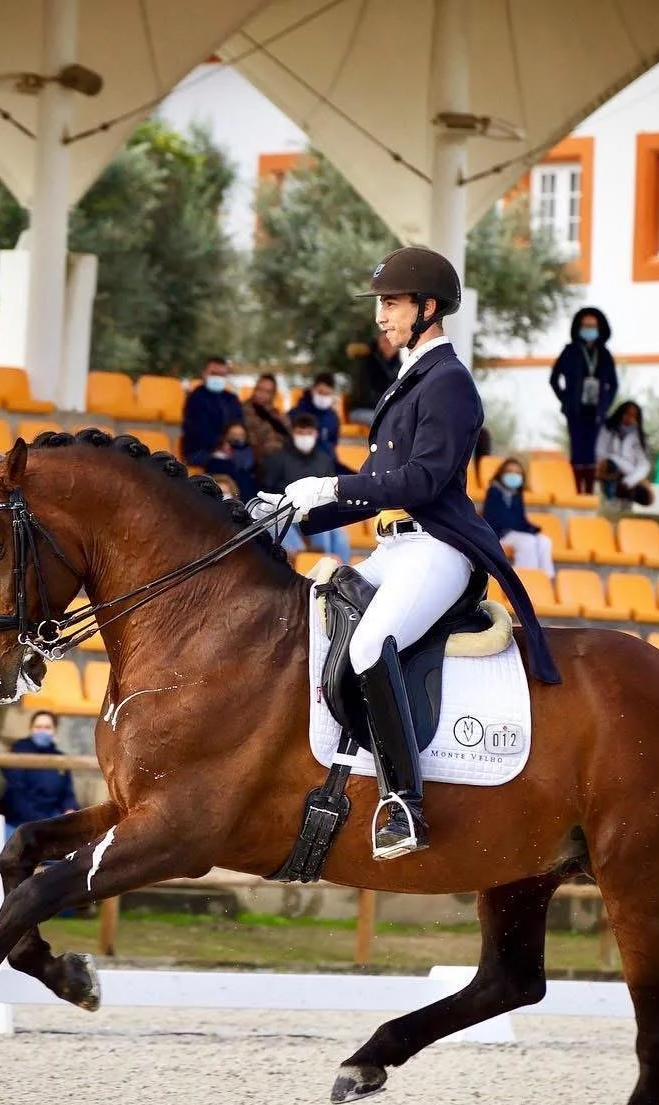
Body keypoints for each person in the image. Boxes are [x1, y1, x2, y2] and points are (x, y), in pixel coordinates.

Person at [273, 246, 561, 860]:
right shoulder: (408, 381)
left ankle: (404, 802)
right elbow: (374, 490)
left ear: (428, 308)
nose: (381, 316)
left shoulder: (450, 382)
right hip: (394, 548)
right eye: (381, 304)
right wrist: (292, 507)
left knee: (373, 643)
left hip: (439, 549)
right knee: (314, 620)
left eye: (392, 303)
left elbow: (422, 481)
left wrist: (332, 483)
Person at [261, 413, 350, 563]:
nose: (305, 437)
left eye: (308, 433)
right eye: (300, 433)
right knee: (283, 527)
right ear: (293, 433)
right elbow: (266, 488)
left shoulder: (324, 460)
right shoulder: (277, 458)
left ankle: (340, 574)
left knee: (339, 536)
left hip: (317, 512)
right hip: (286, 512)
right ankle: (306, 564)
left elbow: (332, 492)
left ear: (315, 433)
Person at [549, 307, 618, 496]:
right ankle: (576, 491)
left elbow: (614, 384)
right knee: (577, 450)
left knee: (592, 452)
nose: (589, 329)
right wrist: (566, 400)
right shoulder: (570, 351)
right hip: (576, 410)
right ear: (578, 327)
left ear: (600, 328)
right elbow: (554, 379)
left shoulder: (604, 354)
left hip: (596, 411)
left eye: (593, 326)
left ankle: (589, 492)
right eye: (586, 326)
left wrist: (605, 407)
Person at [0, 712, 79, 831]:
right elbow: (16, 796)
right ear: (31, 729)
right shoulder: (17, 755)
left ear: (54, 730)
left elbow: (67, 792)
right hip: (18, 822)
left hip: (52, 818)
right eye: (38, 727)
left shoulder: (60, 759)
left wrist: (70, 810)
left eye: (47, 727)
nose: (42, 731)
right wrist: (41, 823)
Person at [481, 459, 554, 576]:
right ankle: (525, 578)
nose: (513, 475)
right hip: (500, 534)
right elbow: (499, 519)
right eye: (509, 472)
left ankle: (546, 578)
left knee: (545, 541)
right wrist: (524, 529)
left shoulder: (516, 494)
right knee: (528, 541)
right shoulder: (494, 492)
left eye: (517, 473)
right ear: (501, 474)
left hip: (515, 532)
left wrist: (531, 529)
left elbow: (520, 519)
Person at [181, 356, 241, 467]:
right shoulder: (196, 398)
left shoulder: (231, 399)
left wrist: (233, 444)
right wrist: (220, 443)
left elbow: (239, 425)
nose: (217, 378)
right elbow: (195, 430)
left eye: (221, 375)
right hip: (199, 450)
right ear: (204, 374)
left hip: (231, 449)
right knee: (226, 465)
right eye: (214, 373)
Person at [596, 400, 655, 507]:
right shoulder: (608, 429)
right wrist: (616, 463)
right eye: (627, 414)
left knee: (645, 495)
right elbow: (600, 453)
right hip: (609, 472)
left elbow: (643, 465)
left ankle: (626, 503)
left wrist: (629, 480)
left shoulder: (639, 437)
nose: (629, 418)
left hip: (629, 477)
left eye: (633, 416)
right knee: (609, 466)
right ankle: (609, 499)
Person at [349, 330, 400, 420]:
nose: (389, 344)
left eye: (392, 341)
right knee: (387, 422)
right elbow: (364, 394)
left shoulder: (398, 366)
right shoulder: (367, 362)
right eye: (385, 341)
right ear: (379, 343)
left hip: (386, 409)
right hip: (362, 409)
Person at [203, 419, 258, 501]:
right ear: (225, 437)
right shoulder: (216, 462)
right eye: (233, 435)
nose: (237, 439)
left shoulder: (251, 458)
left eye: (241, 435)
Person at [241, 373, 290, 464]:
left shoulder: (278, 416)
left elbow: (289, 436)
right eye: (260, 389)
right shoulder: (243, 411)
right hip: (257, 462)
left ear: (273, 394)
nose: (262, 394)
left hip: (281, 463)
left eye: (267, 392)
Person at [286, 371, 341, 452]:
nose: (323, 397)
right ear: (313, 390)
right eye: (321, 392)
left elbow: (333, 445)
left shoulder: (333, 418)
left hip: (323, 461)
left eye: (327, 394)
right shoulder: (295, 413)